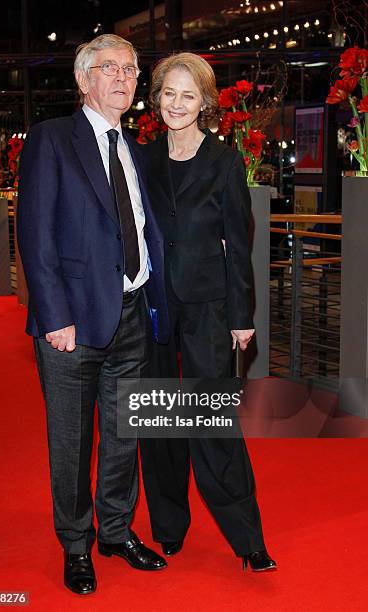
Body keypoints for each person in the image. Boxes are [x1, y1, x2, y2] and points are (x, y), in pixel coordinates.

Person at [17, 34, 170, 596]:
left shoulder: (135, 147)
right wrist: (54, 315)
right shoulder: (52, 139)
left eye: (131, 69)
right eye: (109, 68)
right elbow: (34, 236)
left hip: (132, 309)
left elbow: (139, 225)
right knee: (72, 439)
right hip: (73, 323)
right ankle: (76, 545)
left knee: (125, 434)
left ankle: (115, 531)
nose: (123, 78)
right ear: (84, 80)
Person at [139, 52, 277, 572]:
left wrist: (243, 315)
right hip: (152, 307)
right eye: (168, 94)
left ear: (204, 103)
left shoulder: (224, 160)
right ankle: (168, 527)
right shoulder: (140, 158)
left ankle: (247, 538)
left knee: (212, 420)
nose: (177, 104)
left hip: (209, 308)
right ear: (156, 99)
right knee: (158, 420)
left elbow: (239, 244)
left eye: (188, 95)